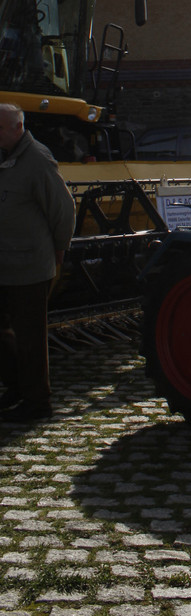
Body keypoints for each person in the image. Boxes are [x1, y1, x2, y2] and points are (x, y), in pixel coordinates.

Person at [0, 103, 76, 422]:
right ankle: (17, 386)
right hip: (5, 263)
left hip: (30, 266)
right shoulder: (5, 155)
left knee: (31, 338)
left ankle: (37, 403)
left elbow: (63, 210)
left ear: (18, 128)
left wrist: (60, 249)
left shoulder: (37, 160)